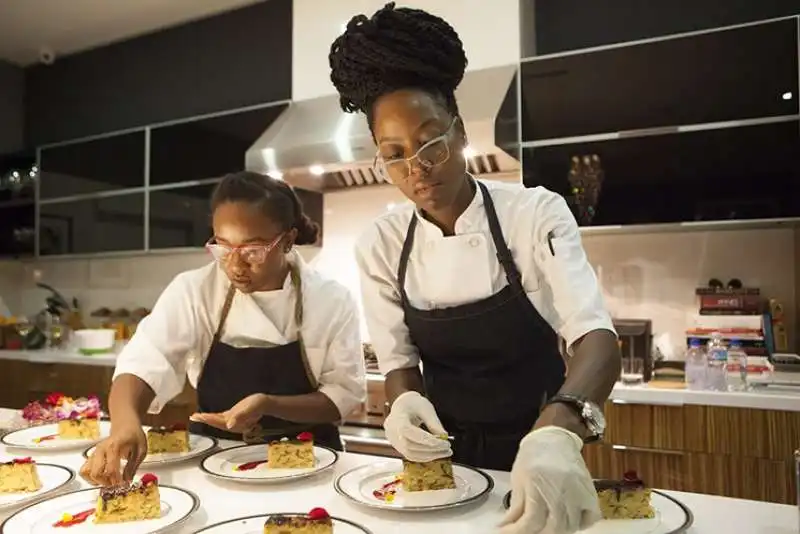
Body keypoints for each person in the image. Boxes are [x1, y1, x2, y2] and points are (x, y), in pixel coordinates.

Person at [329, 4, 621, 534]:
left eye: (431, 143)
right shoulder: (380, 242)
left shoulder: (534, 213)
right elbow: (398, 359)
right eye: (393, 154)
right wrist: (404, 404)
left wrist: (558, 432)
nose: (416, 168)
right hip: (441, 461)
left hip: (542, 443)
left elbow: (596, 338)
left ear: (460, 132)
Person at [80, 171, 365, 487]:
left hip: (313, 460)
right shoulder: (195, 289)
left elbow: (342, 395)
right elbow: (146, 358)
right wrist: (124, 423)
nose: (234, 265)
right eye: (223, 247)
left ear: (287, 241)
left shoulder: (330, 299)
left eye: (252, 250)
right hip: (215, 460)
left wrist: (269, 404)